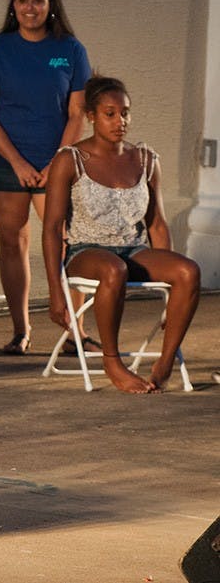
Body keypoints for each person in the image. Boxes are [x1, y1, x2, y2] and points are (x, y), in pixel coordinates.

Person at [42, 75, 200, 393]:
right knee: (114, 268)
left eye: (125, 112)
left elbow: (156, 224)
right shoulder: (69, 160)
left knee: (187, 270)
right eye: (110, 113)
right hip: (86, 252)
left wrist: (170, 293)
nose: (120, 121)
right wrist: (56, 292)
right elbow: (51, 228)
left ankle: (165, 363)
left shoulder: (145, 159)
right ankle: (112, 362)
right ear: (91, 116)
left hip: (134, 249)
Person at [0, 0, 92, 354]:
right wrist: (19, 162)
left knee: (63, 244)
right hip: (6, 161)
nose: (30, 8)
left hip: (56, 160)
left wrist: (58, 160)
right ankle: (21, 331)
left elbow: (77, 113)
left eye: (38, 0)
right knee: (13, 242)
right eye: (22, 0)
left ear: (50, 4)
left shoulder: (69, 49)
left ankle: (75, 333)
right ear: (13, 6)